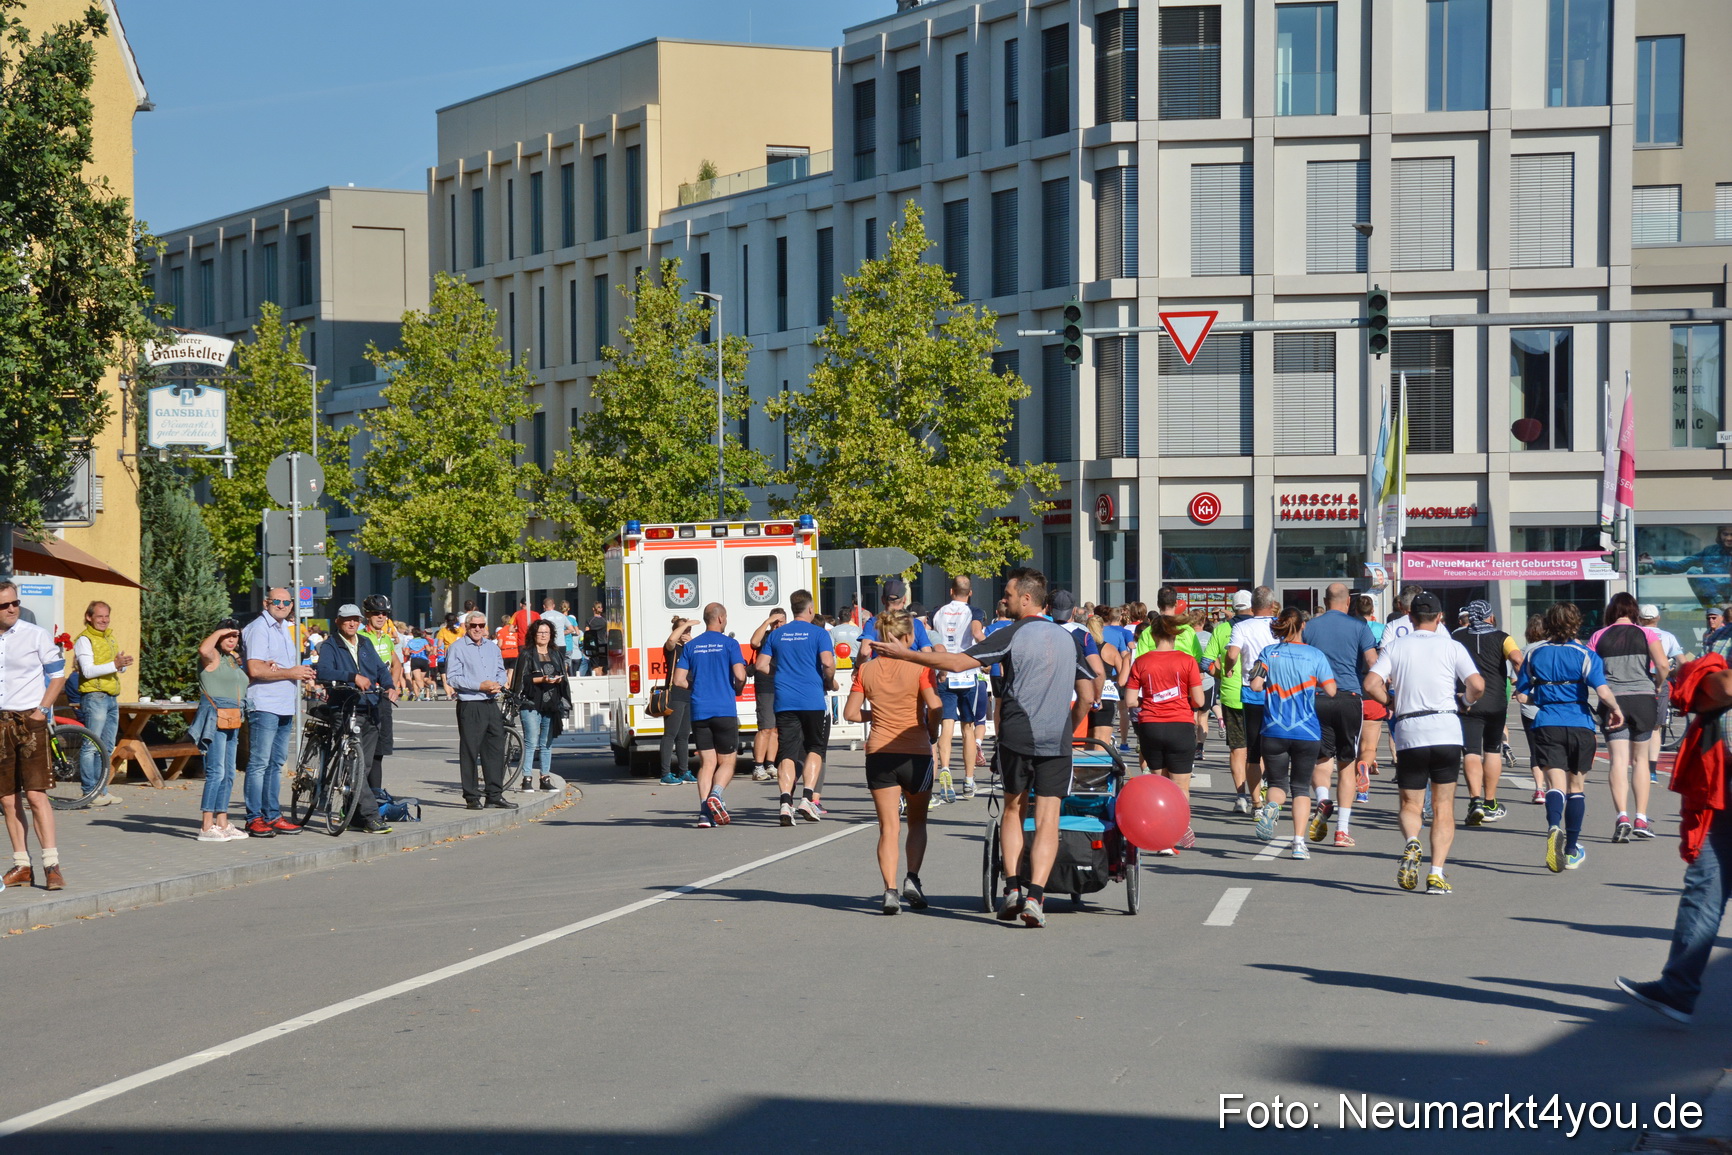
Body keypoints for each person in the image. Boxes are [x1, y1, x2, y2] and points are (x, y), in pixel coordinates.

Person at [872, 567, 1094, 930]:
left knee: (1012, 810)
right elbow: (1088, 693)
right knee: (1048, 819)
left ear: (1026, 598)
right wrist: (1067, 728)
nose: (1002, 599)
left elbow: (959, 662)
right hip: (1057, 740)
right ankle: (1036, 897)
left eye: (1007, 593)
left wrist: (909, 655)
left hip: (1019, 734)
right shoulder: (1069, 639)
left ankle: (1011, 888)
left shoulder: (1012, 633)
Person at [1615, 627, 1732, 1025]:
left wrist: (1700, 677)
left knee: (1707, 882)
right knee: (1705, 882)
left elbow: (1725, 687)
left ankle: (1679, 987)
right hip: (1723, 778)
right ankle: (1678, 988)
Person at [1364, 591, 1485, 895]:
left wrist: (1390, 701)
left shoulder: (1396, 646)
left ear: (1411, 617)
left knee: (1410, 803)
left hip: (1410, 729)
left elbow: (1370, 683)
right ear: (1440, 618)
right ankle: (1436, 873)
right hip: (1445, 727)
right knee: (1443, 806)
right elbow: (1477, 685)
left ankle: (1411, 842)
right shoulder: (1452, 646)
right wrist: (1465, 701)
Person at [845, 610, 941, 913]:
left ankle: (889, 890)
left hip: (879, 752)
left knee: (888, 828)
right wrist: (932, 728)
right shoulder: (919, 667)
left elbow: (849, 714)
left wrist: (875, 715)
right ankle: (912, 878)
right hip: (915, 751)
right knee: (917, 822)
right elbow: (935, 705)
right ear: (908, 637)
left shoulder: (866, 670)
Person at [1515, 602, 1622, 873]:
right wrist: (1616, 709)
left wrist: (1541, 694)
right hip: (1580, 724)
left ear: (1549, 624)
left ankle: (1553, 827)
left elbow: (1523, 695)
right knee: (1577, 788)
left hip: (1547, 723)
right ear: (1576, 623)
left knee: (1555, 786)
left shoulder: (1534, 654)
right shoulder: (1585, 654)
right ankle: (1572, 849)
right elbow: (1602, 690)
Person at [1247, 608, 1337, 858]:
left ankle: (1273, 806)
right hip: (1306, 730)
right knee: (1300, 788)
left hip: (1274, 728)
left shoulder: (1268, 653)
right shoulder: (1315, 655)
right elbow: (1331, 691)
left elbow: (1255, 685)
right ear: (1303, 627)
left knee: (1276, 783)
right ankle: (1298, 843)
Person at [0, 581, 68, 889]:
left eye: (14, 602)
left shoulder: (35, 634)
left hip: (29, 719)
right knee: (7, 797)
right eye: (4, 605)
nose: (12, 608)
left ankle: (51, 865)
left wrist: (42, 710)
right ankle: (21, 866)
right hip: (0, 722)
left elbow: (57, 675)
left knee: (36, 794)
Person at [1588, 592, 1671, 842]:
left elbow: (1590, 669)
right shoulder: (1647, 633)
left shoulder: (1598, 636)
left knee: (1618, 761)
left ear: (1611, 611)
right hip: (1643, 699)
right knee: (1641, 761)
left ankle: (1622, 816)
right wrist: (1657, 684)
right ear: (1634, 610)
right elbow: (1663, 665)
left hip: (1613, 701)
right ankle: (1641, 818)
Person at [1301, 583, 1378, 847]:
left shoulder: (1309, 627)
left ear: (1325, 599)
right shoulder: (1360, 627)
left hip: (1318, 698)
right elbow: (1372, 663)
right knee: (1347, 763)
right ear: (1348, 603)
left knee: (1320, 759)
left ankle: (1323, 798)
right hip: (1349, 697)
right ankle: (1341, 831)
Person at [1121, 612, 1204, 854]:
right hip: (1180, 725)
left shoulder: (1142, 661)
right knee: (1180, 787)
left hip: (1151, 726)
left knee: (1157, 783)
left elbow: (1129, 701)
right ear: (1175, 635)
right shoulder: (1187, 661)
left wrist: (1151, 698)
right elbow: (1198, 700)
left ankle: (1162, 840)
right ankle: (1177, 830)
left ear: (1153, 634)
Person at [241, 588, 315, 838]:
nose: (282, 605)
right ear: (266, 603)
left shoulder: (284, 627)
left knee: (276, 764)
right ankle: (254, 818)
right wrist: (290, 672)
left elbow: (277, 666)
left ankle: (272, 815)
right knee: (259, 763)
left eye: (287, 602)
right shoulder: (259, 628)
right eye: (277, 601)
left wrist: (301, 675)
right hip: (264, 704)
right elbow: (254, 669)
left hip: (284, 704)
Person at [758, 591, 836, 825]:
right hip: (812, 700)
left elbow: (761, 665)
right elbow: (827, 662)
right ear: (810, 609)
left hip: (785, 700)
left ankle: (784, 804)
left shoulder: (777, 634)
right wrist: (828, 679)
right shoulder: (819, 633)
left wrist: (779, 674)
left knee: (787, 752)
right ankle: (807, 798)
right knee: (815, 748)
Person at [312, 605, 392, 832]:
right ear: (338, 621)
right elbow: (324, 672)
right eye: (347, 620)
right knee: (354, 765)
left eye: (355, 620)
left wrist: (390, 686)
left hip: (370, 709)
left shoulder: (365, 643)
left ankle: (353, 814)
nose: (352, 624)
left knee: (363, 767)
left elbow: (381, 669)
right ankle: (371, 816)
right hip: (345, 708)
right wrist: (352, 677)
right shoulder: (330, 645)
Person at [1451, 599, 1524, 829]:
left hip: (1468, 699)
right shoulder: (1503, 637)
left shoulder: (1457, 637)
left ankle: (1475, 801)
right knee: (1492, 750)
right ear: (1490, 617)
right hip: (1495, 701)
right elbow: (1518, 659)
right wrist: (1521, 683)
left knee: (1471, 751)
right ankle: (1491, 802)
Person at [674, 603, 746, 827]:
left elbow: (678, 680)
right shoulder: (730, 644)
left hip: (700, 710)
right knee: (727, 761)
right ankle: (716, 794)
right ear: (721, 618)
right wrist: (738, 687)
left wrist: (695, 688)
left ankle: (704, 812)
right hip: (723, 709)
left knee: (707, 763)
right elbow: (740, 674)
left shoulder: (691, 646)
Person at [446, 611, 514, 810]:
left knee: (495, 749)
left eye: (481, 625)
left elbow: (501, 671)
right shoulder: (457, 648)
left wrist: (498, 684)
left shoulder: (492, 648)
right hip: (471, 703)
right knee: (469, 750)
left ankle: (494, 794)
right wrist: (479, 686)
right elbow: (453, 677)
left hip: (491, 702)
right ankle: (472, 796)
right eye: (473, 625)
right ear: (467, 627)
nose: (477, 629)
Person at [929, 576, 986, 801]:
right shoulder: (975, 612)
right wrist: (990, 653)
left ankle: (945, 769)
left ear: (951, 591)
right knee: (968, 728)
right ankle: (969, 780)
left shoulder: (938, 612)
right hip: (967, 674)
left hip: (944, 672)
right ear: (969, 592)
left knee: (947, 726)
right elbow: (976, 633)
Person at [190, 619, 248, 841]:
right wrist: (221, 631)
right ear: (219, 635)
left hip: (233, 718)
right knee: (217, 772)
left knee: (230, 773)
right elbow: (203, 648)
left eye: (235, 636)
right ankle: (206, 826)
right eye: (228, 635)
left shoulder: (231, 659)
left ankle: (222, 823)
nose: (232, 640)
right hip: (215, 718)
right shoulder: (212, 656)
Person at [1225, 587, 1280, 813]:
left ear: (1252, 605)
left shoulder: (1241, 626)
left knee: (1254, 750)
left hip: (1252, 690)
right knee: (1277, 747)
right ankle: (1273, 798)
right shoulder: (1280, 625)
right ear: (1272, 603)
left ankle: (1256, 803)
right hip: (1279, 691)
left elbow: (1232, 654)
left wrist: (1229, 669)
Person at [72, 599, 132, 807]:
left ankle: (102, 791)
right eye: (100, 616)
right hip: (94, 696)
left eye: (107, 616)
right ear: (89, 617)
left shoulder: (110, 638)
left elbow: (113, 668)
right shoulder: (84, 640)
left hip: (110, 696)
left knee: (106, 746)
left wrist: (121, 665)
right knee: (91, 746)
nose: (104, 620)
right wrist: (114, 664)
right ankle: (90, 792)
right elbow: (87, 671)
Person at [1203, 590, 1256, 812]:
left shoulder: (1222, 629)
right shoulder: (1262, 627)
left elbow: (1206, 662)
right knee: (1258, 749)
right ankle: (1259, 795)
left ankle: (1241, 796)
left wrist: (1222, 674)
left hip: (1231, 694)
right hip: (1259, 694)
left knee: (1237, 748)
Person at [512, 618, 569, 792]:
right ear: (534, 634)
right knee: (531, 742)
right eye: (540, 632)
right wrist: (542, 679)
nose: (543, 635)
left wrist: (558, 680)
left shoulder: (556, 653)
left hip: (551, 703)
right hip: (531, 703)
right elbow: (522, 680)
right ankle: (526, 778)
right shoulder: (527, 653)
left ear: (551, 635)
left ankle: (545, 777)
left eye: (546, 632)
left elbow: (563, 676)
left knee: (547, 743)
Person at [359, 595, 404, 798]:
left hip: (382, 699)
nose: (380, 616)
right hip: (364, 698)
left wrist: (392, 687)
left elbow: (396, 664)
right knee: (362, 752)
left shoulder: (386, 638)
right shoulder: (360, 636)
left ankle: (375, 796)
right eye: (376, 613)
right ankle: (360, 796)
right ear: (367, 614)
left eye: (384, 613)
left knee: (379, 752)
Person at [1639, 524, 1732, 608]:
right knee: (1693, 571)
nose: (1728, 538)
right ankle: (1719, 604)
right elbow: (1680, 566)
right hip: (1713, 599)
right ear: (1720, 535)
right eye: (1725, 534)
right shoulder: (1710, 551)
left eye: (1731, 534)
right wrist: (1654, 562)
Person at [1641, 604, 1684, 770]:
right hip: (1660, 680)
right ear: (1658, 618)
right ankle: (1652, 770)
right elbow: (1682, 661)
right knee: (1656, 727)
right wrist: (1672, 673)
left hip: (1638, 681)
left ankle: (1638, 763)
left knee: (1635, 725)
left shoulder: (1635, 633)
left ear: (1640, 619)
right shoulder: (1668, 636)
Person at [747, 608, 786, 783]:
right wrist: (767, 622)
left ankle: (771, 764)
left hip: (782, 683)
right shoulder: (766, 635)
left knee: (776, 729)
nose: (778, 625)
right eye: (776, 622)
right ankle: (758, 766)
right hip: (765, 684)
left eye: (781, 621)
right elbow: (754, 642)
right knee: (765, 728)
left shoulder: (786, 636)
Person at [658, 617, 696, 785]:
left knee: (683, 736)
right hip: (674, 695)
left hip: (688, 694)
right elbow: (671, 640)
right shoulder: (673, 649)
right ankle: (665, 774)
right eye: (683, 630)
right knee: (670, 735)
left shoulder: (690, 648)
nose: (686, 633)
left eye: (688, 630)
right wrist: (686, 625)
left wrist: (691, 641)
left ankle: (684, 771)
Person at [859, 577, 932, 658]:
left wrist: (857, 668)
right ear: (904, 600)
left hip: (882, 668)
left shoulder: (873, 622)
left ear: (882, 600)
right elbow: (927, 653)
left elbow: (864, 652)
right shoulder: (915, 623)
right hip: (909, 668)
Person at [1086, 615, 1124, 754]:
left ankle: (1085, 772)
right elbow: (1122, 675)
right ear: (1102, 629)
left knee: (1087, 740)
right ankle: (1100, 773)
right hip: (1107, 694)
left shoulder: (1084, 648)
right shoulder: (1111, 649)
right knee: (1102, 740)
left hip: (1087, 694)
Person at [581, 602, 607, 677]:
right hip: (603, 645)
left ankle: (597, 681)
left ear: (593, 609)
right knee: (601, 666)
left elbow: (587, 633)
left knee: (595, 666)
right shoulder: (605, 621)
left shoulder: (589, 620)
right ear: (601, 609)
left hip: (593, 646)